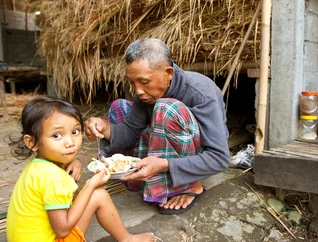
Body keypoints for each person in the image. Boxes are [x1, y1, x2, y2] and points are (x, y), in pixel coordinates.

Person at [0, 96, 156, 242]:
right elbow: (62, 230)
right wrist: (90, 185)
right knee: (99, 195)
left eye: (75, 131)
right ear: (32, 142)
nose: (70, 142)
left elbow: (55, 187)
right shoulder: (54, 179)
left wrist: (75, 162)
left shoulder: (37, 167)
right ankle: (126, 241)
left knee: (85, 195)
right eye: (57, 136)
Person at [86, 38, 230, 214]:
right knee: (120, 106)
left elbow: (219, 158)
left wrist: (164, 164)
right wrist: (104, 128)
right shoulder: (146, 94)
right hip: (166, 151)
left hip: (198, 159)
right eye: (132, 82)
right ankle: (143, 176)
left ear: (168, 72)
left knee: (166, 108)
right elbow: (131, 131)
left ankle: (190, 186)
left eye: (144, 82)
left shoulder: (201, 92)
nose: (137, 90)